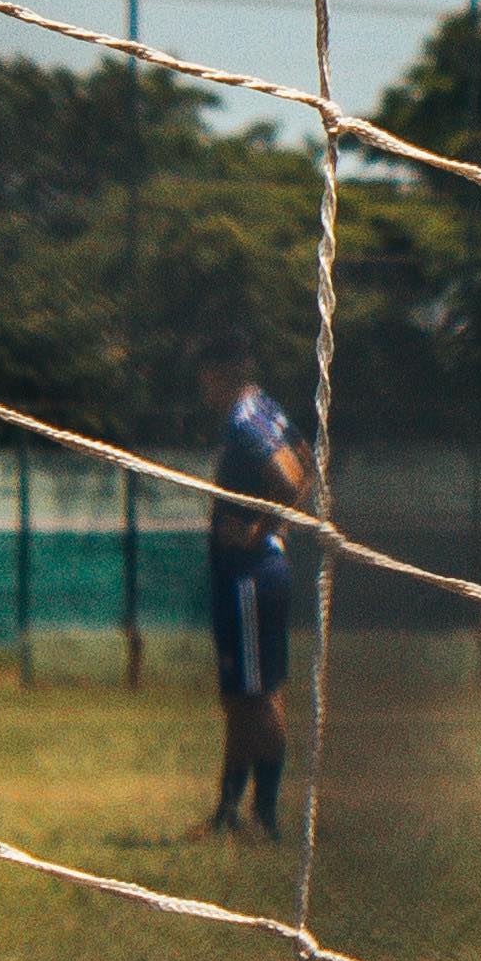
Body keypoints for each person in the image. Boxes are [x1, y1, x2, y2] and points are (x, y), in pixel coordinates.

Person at [202, 334, 308, 840]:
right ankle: (228, 811)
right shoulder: (263, 406)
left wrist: (261, 529)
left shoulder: (244, 422)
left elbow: (289, 481)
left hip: (249, 575)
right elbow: (306, 461)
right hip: (252, 571)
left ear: (217, 373)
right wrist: (279, 527)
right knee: (243, 696)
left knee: (260, 697)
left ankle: (264, 817)